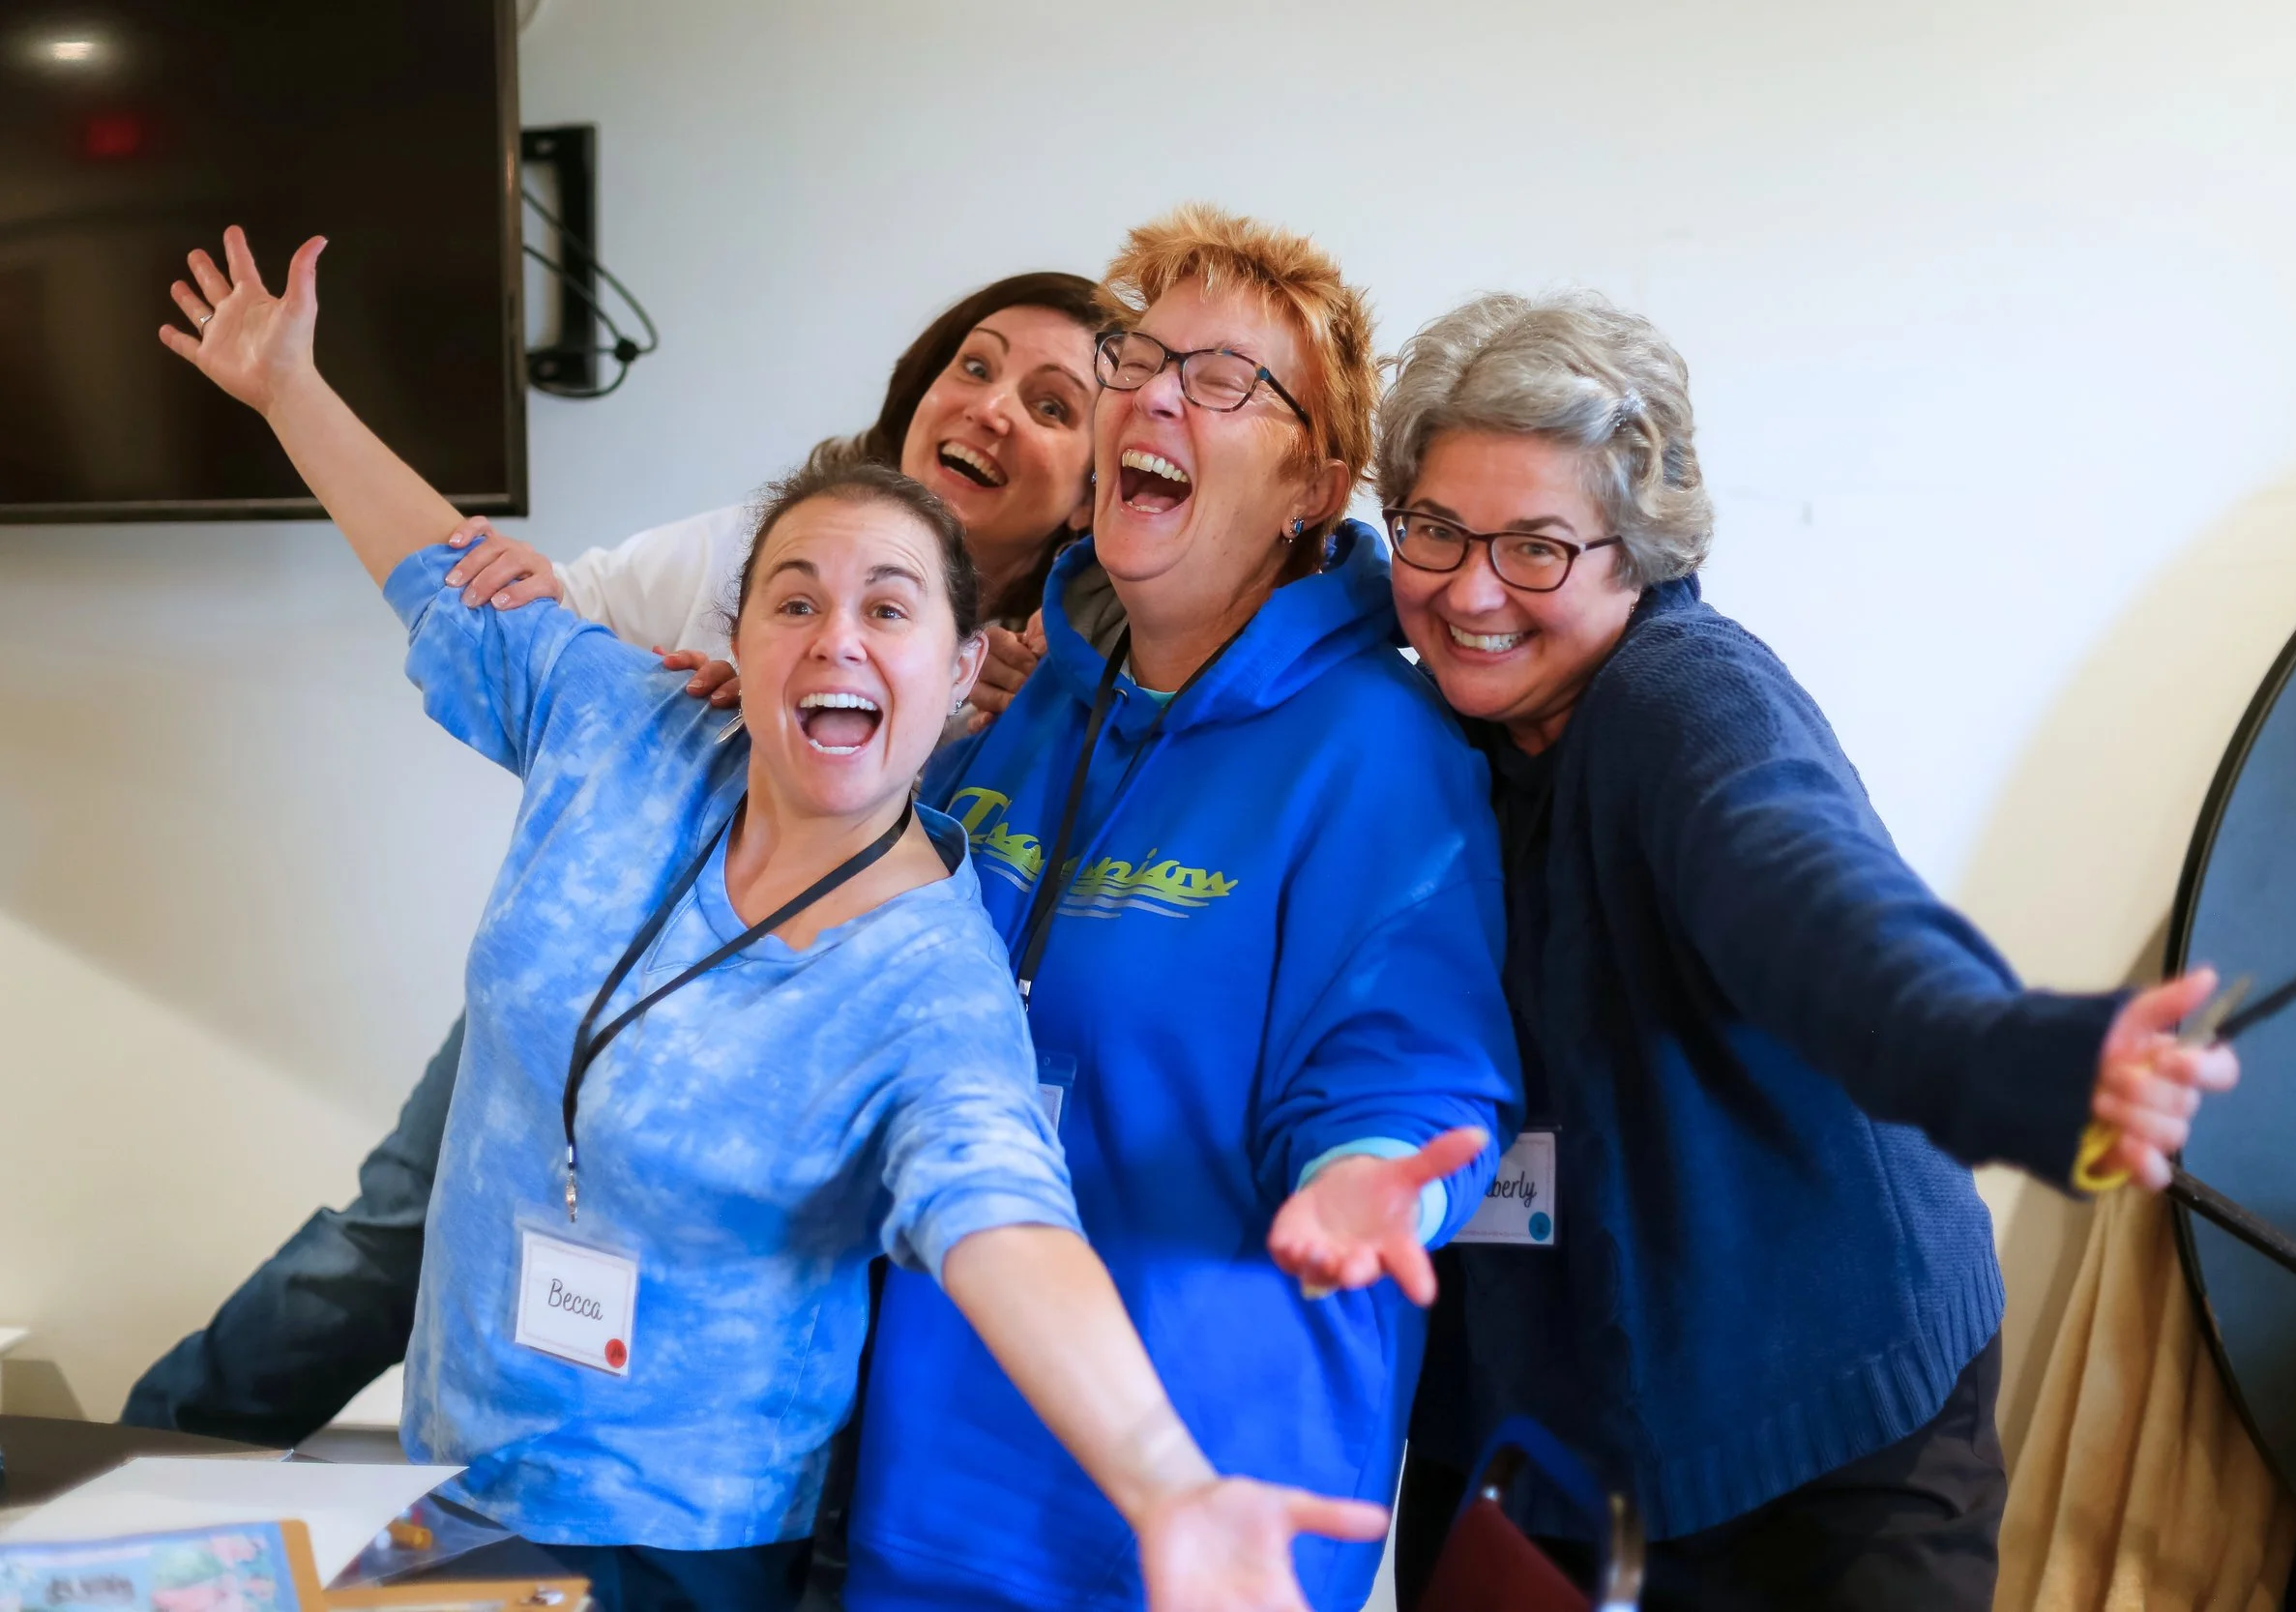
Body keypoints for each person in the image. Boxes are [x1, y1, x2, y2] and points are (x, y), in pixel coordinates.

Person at [153, 225, 1387, 1612]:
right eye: (794, 602)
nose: (836, 639)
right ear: (734, 631)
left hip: (683, 1534)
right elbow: (437, 573)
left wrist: (1169, 1475)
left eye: (889, 610)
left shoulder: (933, 965)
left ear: (972, 664)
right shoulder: (624, 723)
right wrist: (285, 389)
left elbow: (998, 1207)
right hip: (458, 1472)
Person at [123, 269, 1108, 1448]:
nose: (992, 407)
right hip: (587, 1005)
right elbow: (514, 614)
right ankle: (142, 1460)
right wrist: (292, 391)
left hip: (753, 1246)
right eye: (976, 365)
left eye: (1052, 404)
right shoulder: (745, 555)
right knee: (378, 1248)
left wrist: (1162, 1475)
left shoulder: (1066, 683)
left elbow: (989, 1179)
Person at [1371, 290, 2244, 1610]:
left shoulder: (1684, 699)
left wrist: (2005, 1053)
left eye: (1538, 547)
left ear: (1639, 555)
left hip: (1819, 1435)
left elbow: (1813, 902)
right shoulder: (1412, 722)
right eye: (1437, 529)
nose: (1474, 588)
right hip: (1542, 1427)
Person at [843, 206, 1523, 1612]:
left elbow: (1406, 1063)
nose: (1152, 393)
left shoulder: (1373, 747)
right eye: (1140, 357)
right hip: (933, 1471)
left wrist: (1371, 1169)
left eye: (1222, 379)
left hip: (1200, 1513)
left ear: (1312, 485)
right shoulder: (1029, 704)